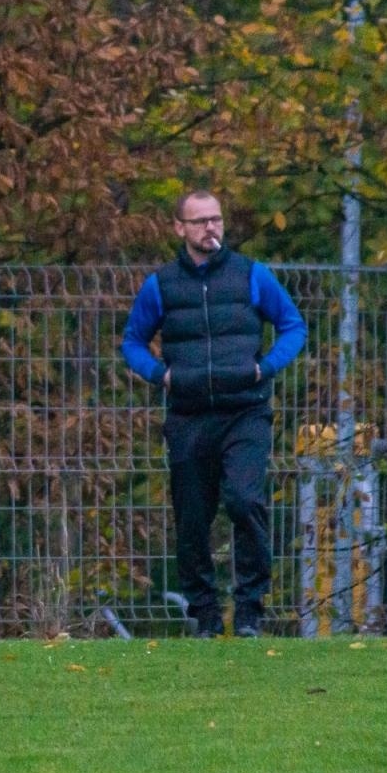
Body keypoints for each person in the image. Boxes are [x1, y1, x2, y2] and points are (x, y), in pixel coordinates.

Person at [120, 189, 307, 638]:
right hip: (188, 415)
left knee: (244, 501)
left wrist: (266, 367)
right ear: (179, 228)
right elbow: (131, 341)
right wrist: (159, 375)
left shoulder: (251, 276)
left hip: (245, 411)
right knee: (192, 516)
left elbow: (293, 326)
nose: (211, 228)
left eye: (217, 219)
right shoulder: (160, 285)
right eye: (201, 220)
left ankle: (249, 610)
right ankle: (204, 613)